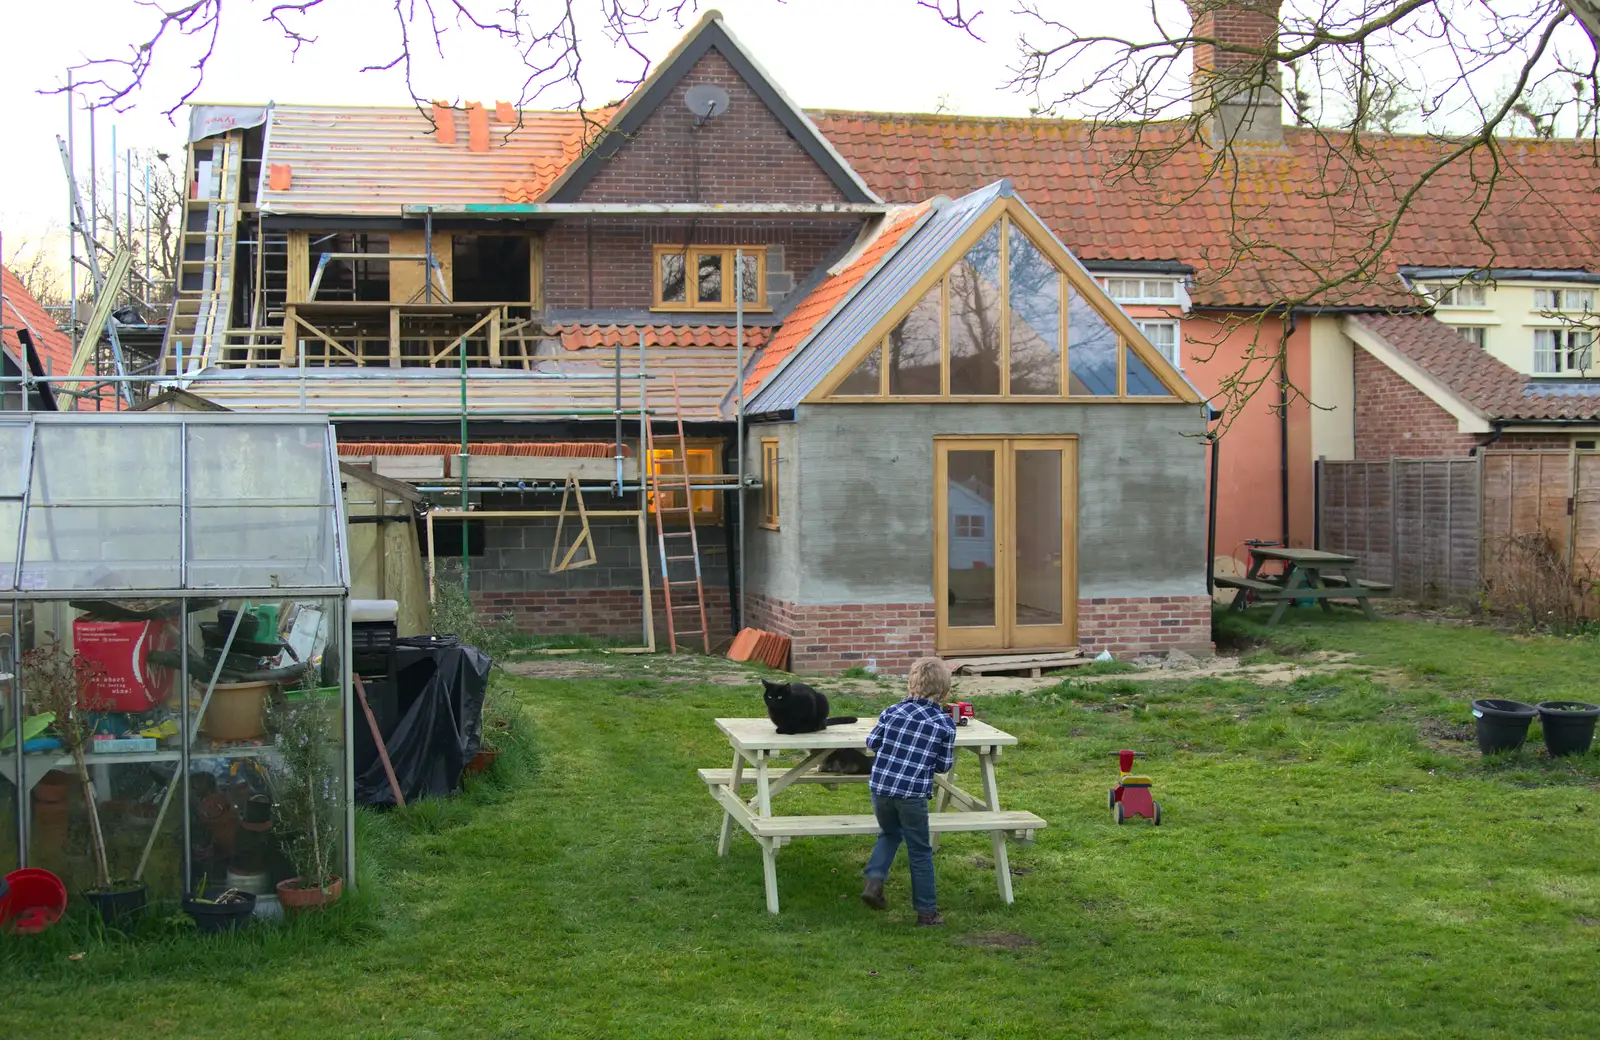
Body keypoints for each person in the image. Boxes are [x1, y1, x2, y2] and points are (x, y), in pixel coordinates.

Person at [860, 656, 957, 926]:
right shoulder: (943, 724)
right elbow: (943, 764)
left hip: (881, 789)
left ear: (910, 685)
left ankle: (874, 880)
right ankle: (927, 913)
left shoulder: (891, 712)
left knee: (889, 833)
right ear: (945, 692)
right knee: (919, 851)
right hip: (912, 796)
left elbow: (872, 743)